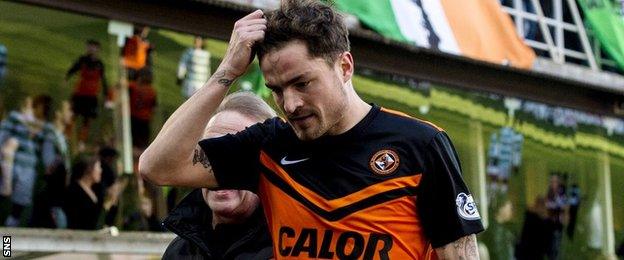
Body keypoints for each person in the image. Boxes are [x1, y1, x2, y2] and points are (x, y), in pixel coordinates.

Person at [140, 1, 483, 259]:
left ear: (344, 66)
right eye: (276, 90)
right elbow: (158, 166)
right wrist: (226, 72)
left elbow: (459, 253)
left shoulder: (420, 144)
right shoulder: (269, 146)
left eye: (302, 83)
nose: (290, 104)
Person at [162, 92, 274, 259]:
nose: (223, 166)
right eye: (211, 153)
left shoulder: (289, 247)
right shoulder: (180, 250)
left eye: (239, 155)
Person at [31, 97, 72, 228]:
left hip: (56, 196)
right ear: (57, 114)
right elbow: (49, 165)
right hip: (49, 196)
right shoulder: (50, 136)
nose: (71, 113)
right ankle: (7, 247)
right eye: (68, 110)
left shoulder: (61, 138)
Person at [0, 96, 40, 227]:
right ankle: (7, 248)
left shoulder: (28, 140)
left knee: (11, 220)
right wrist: (6, 185)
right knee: (7, 223)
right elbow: (7, 153)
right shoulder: (16, 129)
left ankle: (7, 247)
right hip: (11, 188)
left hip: (17, 190)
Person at [65, 39, 110, 145]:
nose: (91, 49)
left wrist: (106, 93)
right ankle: (66, 135)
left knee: (87, 119)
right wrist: (67, 77)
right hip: (80, 92)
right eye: (89, 47)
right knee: (73, 115)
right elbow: (74, 68)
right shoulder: (82, 60)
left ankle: (82, 140)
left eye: (94, 47)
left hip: (91, 95)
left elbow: (103, 79)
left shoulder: (100, 64)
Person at [64, 154, 103, 230]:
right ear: (89, 169)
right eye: (98, 167)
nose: (100, 170)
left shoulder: (96, 190)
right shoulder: (74, 191)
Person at [129, 69, 157, 149]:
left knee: (132, 141)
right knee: (142, 143)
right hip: (145, 119)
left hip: (133, 117)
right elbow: (153, 107)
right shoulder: (152, 91)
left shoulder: (133, 87)